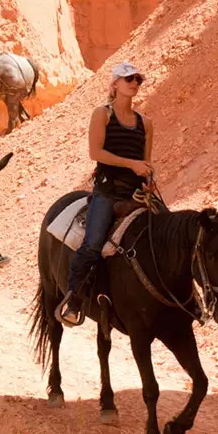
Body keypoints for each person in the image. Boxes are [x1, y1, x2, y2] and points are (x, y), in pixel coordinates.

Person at [58, 61, 154, 324]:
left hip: (135, 194)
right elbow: (95, 153)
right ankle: (73, 302)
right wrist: (131, 164)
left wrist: (146, 176)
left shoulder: (146, 123)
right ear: (114, 84)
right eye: (128, 79)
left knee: (169, 234)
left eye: (138, 79)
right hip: (108, 193)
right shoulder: (103, 114)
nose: (134, 83)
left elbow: (144, 162)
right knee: (92, 245)